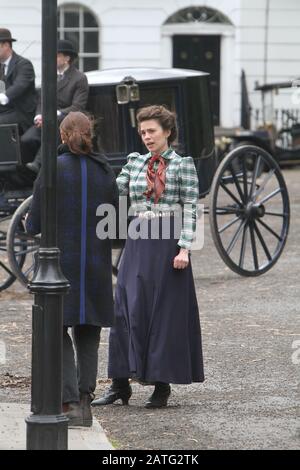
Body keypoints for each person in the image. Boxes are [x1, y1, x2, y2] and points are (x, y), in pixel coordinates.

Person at [92, 105, 204, 409]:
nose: (147, 137)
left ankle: (161, 385)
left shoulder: (183, 166)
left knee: (164, 312)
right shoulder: (135, 163)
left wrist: (184, 248)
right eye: (143, 132)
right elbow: (113, 192)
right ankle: (119, 384)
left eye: (152, 131)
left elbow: (191, 207)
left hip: (168, 239)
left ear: (167, 131)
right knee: (126, 306)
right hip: (139, 237)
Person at [26, 111, 118, 426]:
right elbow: (116, 232)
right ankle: (84, 403)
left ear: (64, 136)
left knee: (58, 330)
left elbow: (34, 222)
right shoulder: (105, 172)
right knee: (88, 334)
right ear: (89, 134)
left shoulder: (53, 169)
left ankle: (67, 402)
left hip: (60, 267)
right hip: (95, 266)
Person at [22, 39, 89, 171]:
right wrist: (39, 116)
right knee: (26, 139)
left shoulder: (79, 78)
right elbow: (41, 100)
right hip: (46, 120)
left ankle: (38, 165)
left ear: (67, 58)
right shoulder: (48, 76)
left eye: (57, 55)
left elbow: (78, 106)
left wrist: (53, 114)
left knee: (51, 134)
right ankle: (24, 171)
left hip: (65, 121)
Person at [0, 28, 37, 133]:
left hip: (21, 113)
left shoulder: (24, 64)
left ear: (6, 45)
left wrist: (4, 96)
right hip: (4, 112)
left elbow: (19, 86)